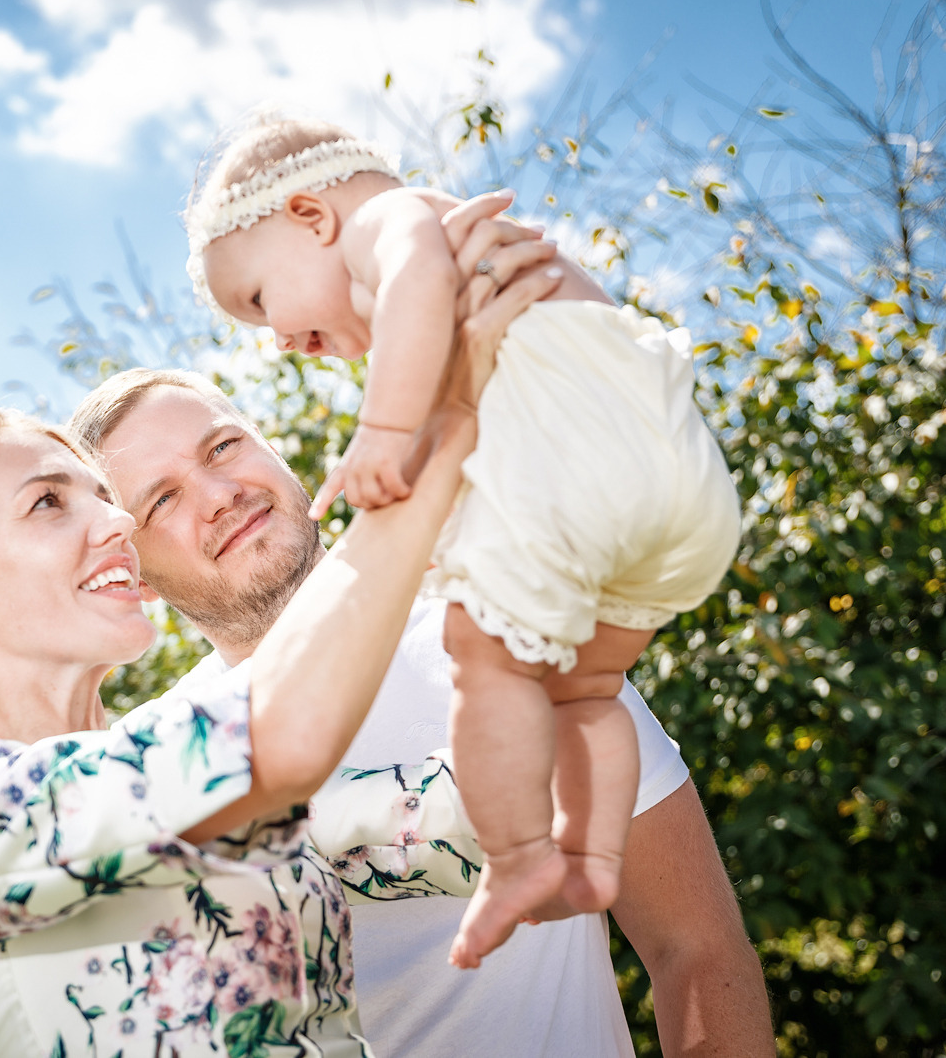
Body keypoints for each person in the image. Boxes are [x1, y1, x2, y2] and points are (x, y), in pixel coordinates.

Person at [0, 219, 564, 1057]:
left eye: (104, 497)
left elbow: (502, 817)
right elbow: (268, 744)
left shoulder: (209, 774)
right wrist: (431, 434)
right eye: (48, 502)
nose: (115, 521)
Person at [69, 216, 772, 1056]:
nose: (218, 493)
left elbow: (694, 947)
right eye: (162, 500)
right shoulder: (157, 757)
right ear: (135, 572)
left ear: (277, 453)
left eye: (223, 446)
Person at [186, 117, 743, 965]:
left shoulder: (390, 224)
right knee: (583, 687)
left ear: (311, 215)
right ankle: (591, 856)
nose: (278, 338)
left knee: (475, 650)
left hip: (593, 470)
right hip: (681, 495)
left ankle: (522, 857)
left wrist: (383, 431)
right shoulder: (455, 262)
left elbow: (413, 286)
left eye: (260, 299)